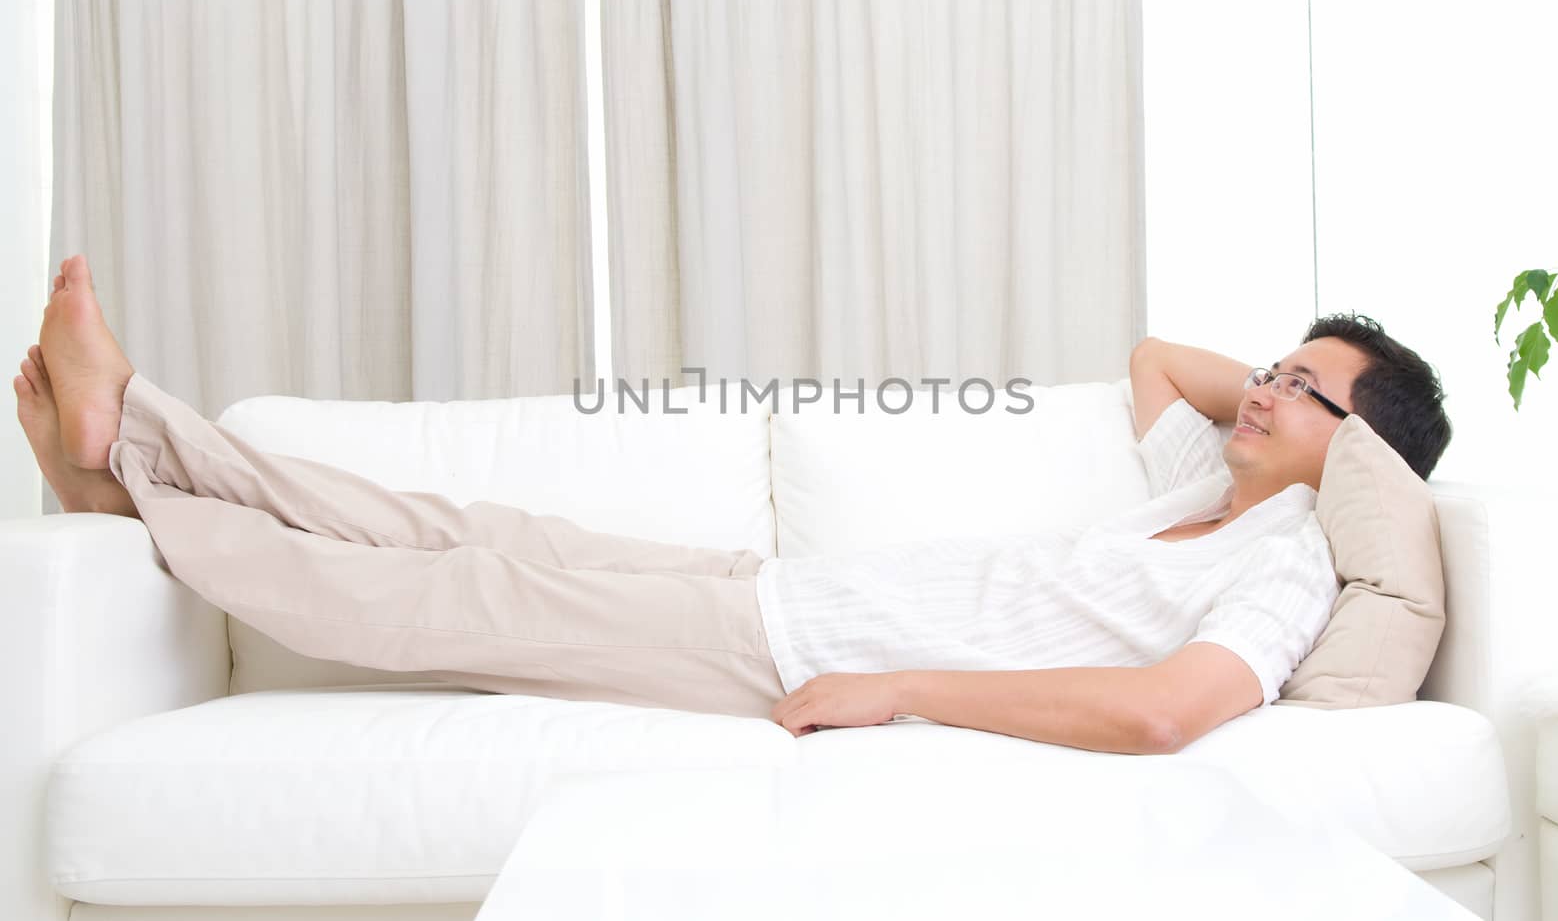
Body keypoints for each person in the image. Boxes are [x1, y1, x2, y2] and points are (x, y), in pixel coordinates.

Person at [12, 255, 1451, 751]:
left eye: (1303, 387)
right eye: (1271, 365)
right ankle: (132, 441)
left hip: (778, 654)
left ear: (1366, 455)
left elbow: (1162, 713)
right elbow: (1157, 361)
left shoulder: (1286, 576)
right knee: (448, 525)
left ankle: (118, 456)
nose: (1258, 387)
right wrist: (1282, 400)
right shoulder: (1198, 487)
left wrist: (894, 690)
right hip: (759, 590)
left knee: (457, 597)